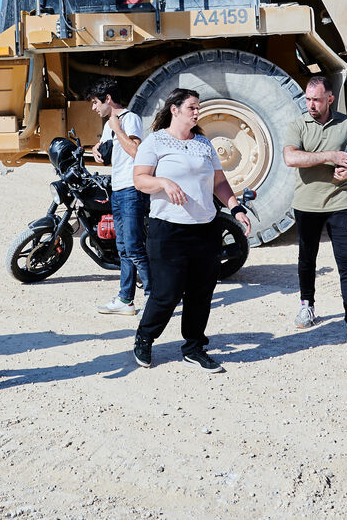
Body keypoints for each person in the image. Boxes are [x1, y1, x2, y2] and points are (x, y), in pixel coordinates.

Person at [131, 88, 251, 372]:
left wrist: (236, 208)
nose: (197, 112)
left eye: (198, 107)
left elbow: (219, 183)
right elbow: (140, 180)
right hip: (168, 229)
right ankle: (145, 338)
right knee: (167, 292)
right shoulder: (155, 142)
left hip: (205, 228)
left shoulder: (204, 144)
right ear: (174, 109)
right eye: (192, 107)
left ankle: (194, 347)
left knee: (201, 291)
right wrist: (163, 183)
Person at [283, 74, 347, 345]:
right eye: (307, 99)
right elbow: (290, 157)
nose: (311, 104)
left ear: (330, 99)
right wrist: (330, 156)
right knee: (307, 258)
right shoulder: (298, 125)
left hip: (340, 202)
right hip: (306, 204)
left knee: (346, 262)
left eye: (316, 100)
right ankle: (307, 305)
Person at [88, 77, 151, 315]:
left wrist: (117, 129)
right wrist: (96, 149)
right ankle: (126, 300)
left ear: (108, 99)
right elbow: (106, 150)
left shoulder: (129, 118)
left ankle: (156, 298)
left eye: (95, 102)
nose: (94, 108)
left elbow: (136, 151)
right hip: (118, 190)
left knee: (134, 247)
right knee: (123, 248)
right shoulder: (109, 125)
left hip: (132, 190)